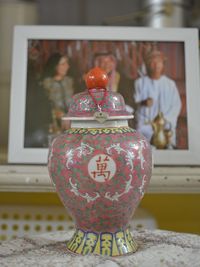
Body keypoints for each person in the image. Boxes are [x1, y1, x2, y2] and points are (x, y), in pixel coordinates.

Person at [133, 50, 182, 148]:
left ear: (163, 64)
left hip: (165, 123)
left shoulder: (170, 84)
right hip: (146, 123)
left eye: (159, 62)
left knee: (166, 140)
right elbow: (134, 103)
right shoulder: (139, 83)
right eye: (152, 62)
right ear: (147, 64)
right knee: (143, 143)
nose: (156, 65)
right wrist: (144, 103)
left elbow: (176, 105)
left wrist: (164, 120)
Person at [42, 53, 74, 134]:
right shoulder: (46, 84)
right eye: (63, 64)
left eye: (67, 63)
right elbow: (45, 105)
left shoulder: (70, 81)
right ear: (55, 66)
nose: (67, 66)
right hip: (54, 123)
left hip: (72, 122)